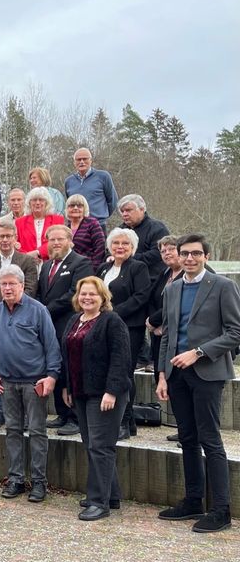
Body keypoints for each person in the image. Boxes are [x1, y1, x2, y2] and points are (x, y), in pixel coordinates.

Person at [156, 234, 239, 533]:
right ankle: (193, 500)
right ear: (178, 256)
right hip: (176, 375)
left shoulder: (223, 287)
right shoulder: (173, 289)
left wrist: (199, 352)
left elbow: (235, 331)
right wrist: (162, 375)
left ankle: (221, 510)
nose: (189, 258)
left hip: (207, 372)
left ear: (206, 256)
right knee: (187, 438)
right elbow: (167, 335)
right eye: (184, 254)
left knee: (210, 439)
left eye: (195, 253)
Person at [60, 276, 131, 521]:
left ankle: (98, 502)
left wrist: (111, 391)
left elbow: (121, 358)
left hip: (104, 395)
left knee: (100, 446)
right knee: (93, 444)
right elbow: (68, 357)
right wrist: (67, 388)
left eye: (93, 294)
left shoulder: (111, 321)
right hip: (80, 392)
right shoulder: (74, 320)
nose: (87, 298)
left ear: (103, 298)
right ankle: (110, 493)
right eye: (83, 294)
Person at [0, 265, 61, 503]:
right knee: (12, 432)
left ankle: (39, 483)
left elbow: (51, 345)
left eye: (12, 284)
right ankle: (16, 479)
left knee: (38, 432)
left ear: (22, 285)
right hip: (7, 382)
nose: (7, 288)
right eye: (4, 284)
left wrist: (51, 376)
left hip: (34, 382)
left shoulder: (38, 310)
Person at [0, 223, 39, 428]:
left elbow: (29, 289)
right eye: (1, 236)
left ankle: (25, 414)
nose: (4, 240)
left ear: (15, 237)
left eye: (8, 236)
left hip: (23, 322)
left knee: (21, 363)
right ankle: (0, 411)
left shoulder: (27, 261)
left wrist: (14, 312)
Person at [37, 225, 94, 436]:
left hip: (71, 324)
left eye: (60, 239)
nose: (56, 243)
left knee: (72, 370)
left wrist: (44, 310)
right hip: (50, 327)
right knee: (56, 368)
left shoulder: (81, 262)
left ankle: (75, 417)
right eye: (52, 240)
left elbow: (75, 293)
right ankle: (62, 413)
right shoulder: (46, 265)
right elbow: (41, 293)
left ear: (70, 240)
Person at [96, 228, 151, 440]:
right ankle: (127, 423)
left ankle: (125, 422)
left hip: (129, 327)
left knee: (124, 372)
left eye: (125, 244)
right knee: (110, 370)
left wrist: (113, 314)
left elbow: (141, 296)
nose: (120, 247)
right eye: (116, 243)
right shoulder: (103, 268)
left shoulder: (138, 267)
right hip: (105, 327)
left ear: (133, 247)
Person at [146, 236, 182, 377]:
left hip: (175, 335)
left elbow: (175, 303)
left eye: (171, 249)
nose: (167, 253)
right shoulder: (165, 272)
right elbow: (151, 298)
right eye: (163, 251)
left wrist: (155, 321)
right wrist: (152, 323)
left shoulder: (188, 275)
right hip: (157, 334)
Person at [118, 194, 170, 281]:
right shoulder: (119, 230)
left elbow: (158, 253)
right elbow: (109, 250)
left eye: (128, 210)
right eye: (122, 211)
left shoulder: (157, 228)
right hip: (123, 279)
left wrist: (128, 259)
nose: (124, 214)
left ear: (142, 209)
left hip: (151, 279)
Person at [64, 148, 118, 229]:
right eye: (78, 160)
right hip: (76, 226)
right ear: (74, 162)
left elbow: (112, 201)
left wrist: (101, 216)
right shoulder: (69, 181)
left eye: (85, 159)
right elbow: (70, 203)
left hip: (98, 225)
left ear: (91, 160)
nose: (82, 162)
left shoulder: (103, 176)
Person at [15, 187, 65, 262]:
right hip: (27, 263)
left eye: (41, 200)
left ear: (47, 203)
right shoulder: (20, 222)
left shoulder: (57, 220)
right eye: (34, 200)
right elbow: (17, 245)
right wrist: (28, 257)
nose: (37, 203)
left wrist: (38, 253)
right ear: (29, 203)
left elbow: (58, 241)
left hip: (52, 262)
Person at [65, 194, 105, 268]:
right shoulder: (65, 227)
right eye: (72, 205)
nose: (75, 208)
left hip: (87, 266)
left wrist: (94, 267)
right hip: (68, 268)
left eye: (79, 206)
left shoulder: (92, 223)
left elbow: (100, 246)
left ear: (85, 209)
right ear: (67, 209)